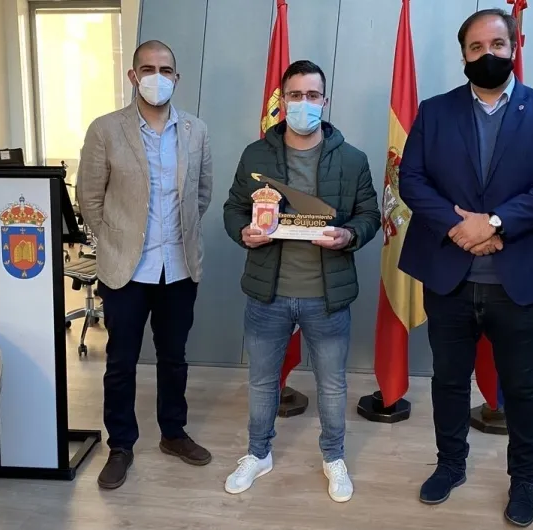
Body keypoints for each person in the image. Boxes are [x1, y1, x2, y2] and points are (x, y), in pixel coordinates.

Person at [397, 9, 533, 527]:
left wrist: (495, 223)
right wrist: (460, 228)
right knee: (448, 381)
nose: (488, 54)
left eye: (497, 44)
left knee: (522, 387)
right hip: (449, 277)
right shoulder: (435, 111)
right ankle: (450, 465)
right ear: (463, 55)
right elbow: (412, 181)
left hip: (520, 280)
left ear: (513, 47)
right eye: (476, 47)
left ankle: (524, 481)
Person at [222, 60, 380, 503]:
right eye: (295, 95)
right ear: (282, 101)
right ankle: (258, 454)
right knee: (261, 381)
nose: (304, 104)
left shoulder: (353, 159)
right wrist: (242, 231)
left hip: (326, 295)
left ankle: (333, 457)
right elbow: (234, 208)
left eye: (312, 96)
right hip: (267, 293)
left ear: (324, 101)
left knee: (332, 385)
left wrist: (349, 235)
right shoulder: (255, 155)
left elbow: (370, 215)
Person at [77, 40, 214, 490]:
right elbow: (89, 197)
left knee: (174, 358)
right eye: (149, 69)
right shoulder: (106, 129)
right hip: (126, 270)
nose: (158, 77)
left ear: (177, 77)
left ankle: (173, 433)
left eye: (166, 69)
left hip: (179, 267)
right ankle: (120, 445)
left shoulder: (195, 130)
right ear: (133, 76)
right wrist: (114, 238)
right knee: (121, 362)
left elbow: (202, 193)